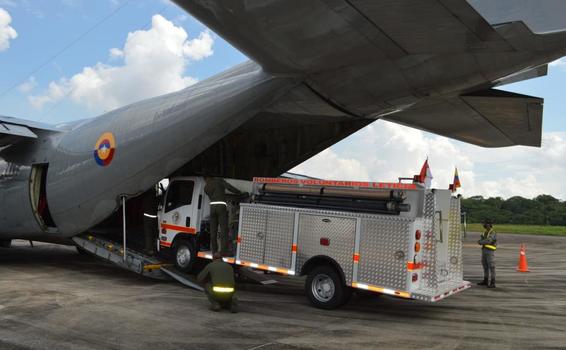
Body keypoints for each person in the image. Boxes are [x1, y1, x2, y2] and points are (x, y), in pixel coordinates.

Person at [204, 177, 242, 256]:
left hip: (212, 207)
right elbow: (230, 188)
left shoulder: (207, 185)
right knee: (224, 230)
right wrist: (240, 193)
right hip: (221, 207)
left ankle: (214, 251)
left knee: (213, 231)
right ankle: (224, 251)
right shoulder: (220, 181)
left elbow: (208, 193)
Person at [477, 220, 497, 288]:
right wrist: (481, 241)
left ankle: (493, 282)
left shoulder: (492, 232)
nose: (484, 225)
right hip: (484, 250)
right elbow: (481, 239)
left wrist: (481, 242)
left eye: (485, 224)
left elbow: (489, 241)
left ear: (489, 225)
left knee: (491, 266)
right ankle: (485, 280)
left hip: (490, 251)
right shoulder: (484, 232)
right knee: (485, 266)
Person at [142, 187, 159, 255]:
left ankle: (149, 249)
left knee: (148, 234)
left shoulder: (146, 198)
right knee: (154, 233)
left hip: (147, 218)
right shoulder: (155, 198)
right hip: (154, 218)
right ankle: (152, 247)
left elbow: (143, 206)